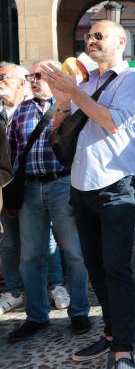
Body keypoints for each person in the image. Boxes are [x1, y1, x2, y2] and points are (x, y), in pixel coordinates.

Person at [41, 20, 135, 367]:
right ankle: (111, 333)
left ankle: (124, 348)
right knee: (95, 268)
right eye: (88, 35)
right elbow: (58, 131)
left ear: (121, 41)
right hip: (81, 184)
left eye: (99, 35)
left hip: (116, 184)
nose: (91, 40)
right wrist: (61, 101)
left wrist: (76, 93)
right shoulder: (87, 82)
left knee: (117, 268)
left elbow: (114, 122)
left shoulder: (132, 79)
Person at [7, 61, 91, 342]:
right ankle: (36, 316)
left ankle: (79, 312)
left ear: (55, 77)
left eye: (39, 75)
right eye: (30, 76)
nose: (32, 80)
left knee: (75, 253)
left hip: (63, 185)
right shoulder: (21, 111)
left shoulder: (70, 106)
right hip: (30, 190)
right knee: (30, 258)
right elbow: (12, 153)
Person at [0, 62, 30, 315]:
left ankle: (53, 286)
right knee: (9, 243)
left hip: (32, 185)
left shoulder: (34, 110)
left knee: (42, 242)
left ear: (22, 82)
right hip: (4, 189)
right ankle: (13, 291)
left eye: (3, 78)